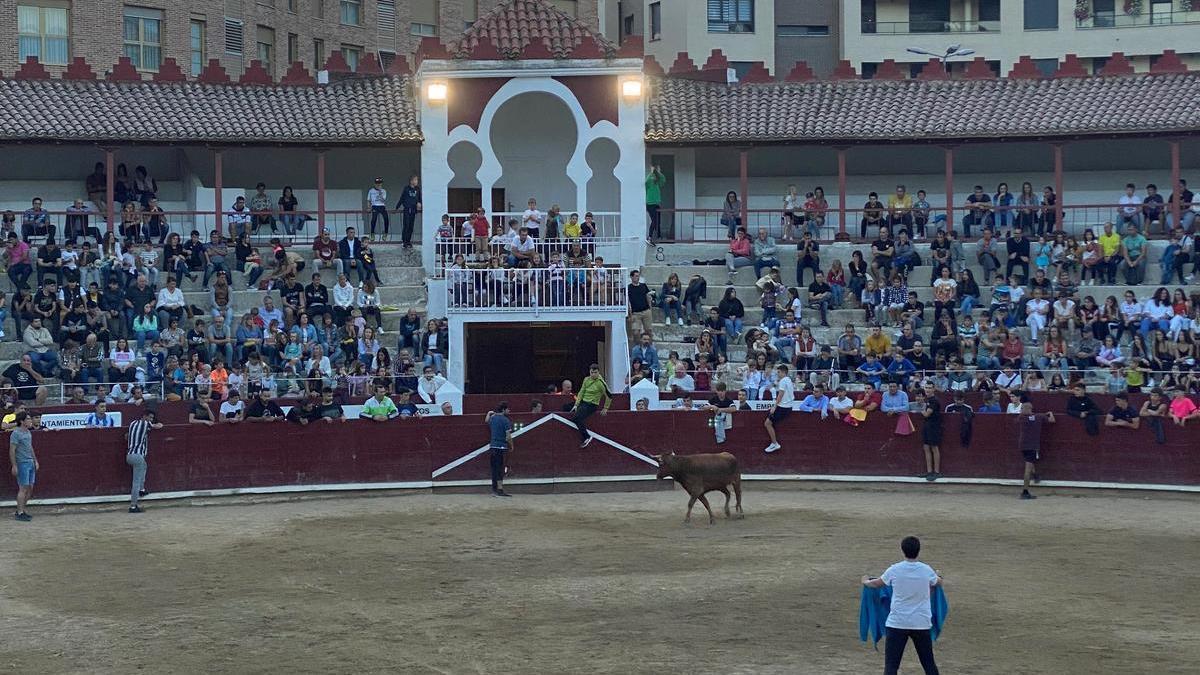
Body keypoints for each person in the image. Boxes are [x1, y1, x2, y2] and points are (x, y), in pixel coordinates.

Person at [862, 536, 943, 675]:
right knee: (929, 665)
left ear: (902, 550)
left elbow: (876, 584)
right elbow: (937, 583)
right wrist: (938, 576)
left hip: (897, 623)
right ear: (919, 550)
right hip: (920, 623)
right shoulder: (926, 570)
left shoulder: (895, 569)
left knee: (891, 666)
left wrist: (865, 581)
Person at [125, 408, 162, 513]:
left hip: (129, 455)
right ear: (144, 416)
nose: (151, 420)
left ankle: (142, 489)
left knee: (144, 466)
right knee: (135, 482)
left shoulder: (132, 423)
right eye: (149, 417)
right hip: (138, 456)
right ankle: (133, 506)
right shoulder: (146, 424)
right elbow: (157, 426)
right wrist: (159, 424)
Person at [1018, 401, 1055, 500]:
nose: (1021, 410)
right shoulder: (1039, 416)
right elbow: (1052, 420)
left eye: (1022, 408)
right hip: (1032, 446)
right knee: (1027, 469)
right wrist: (1050, 413)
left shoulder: (1021, 418)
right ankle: (1025, 491)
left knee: (1029, 462)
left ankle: (1035, 475)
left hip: (1022, 446)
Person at [571, 363, 611, 447]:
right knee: (566, 407)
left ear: (598, 372)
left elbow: (609, 396)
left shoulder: (601, 383)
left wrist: (605, 408)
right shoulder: (586, 379)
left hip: (591, 405)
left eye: (595, 372)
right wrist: (576, 404)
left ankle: (587, 437)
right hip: (583, 402)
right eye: (592, 372)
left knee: (576, 418)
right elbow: (581, 392)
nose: (593, 374)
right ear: (589, 372)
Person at [9, 412, 38, 522]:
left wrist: (35, 460)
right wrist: (14, 465)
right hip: (22, 463)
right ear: (22, 421)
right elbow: (12, 450)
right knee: (23, 488)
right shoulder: (16, 434)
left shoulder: (28, 432)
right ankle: (20, 512)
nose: (30, 421)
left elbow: (30, 447)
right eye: (28, 419)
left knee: (30, 488)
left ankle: (21, 510)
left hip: (29, 462)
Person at [762, 363, 794, 454]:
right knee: (770, 422)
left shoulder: (783, 381)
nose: (777, 374)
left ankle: (774, 443)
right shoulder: (788, 380)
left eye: (779, 372)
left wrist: (774, 407)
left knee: (767, 423)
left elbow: (781, 394)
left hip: (782, 407)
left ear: (783, 372)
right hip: (788, 407)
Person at [485, 402, 513, 497]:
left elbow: (486, 421)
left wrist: (489, 413)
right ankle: (500, 489)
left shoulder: (493, 419)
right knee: (500, 469)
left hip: (493, 447)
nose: (509, 411)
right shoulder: (505, 420)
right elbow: (508, 436)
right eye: (508, 409)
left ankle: (494, 490)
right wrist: (511, 445)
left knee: (494, 469)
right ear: (504, 410)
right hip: (501, 447)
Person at [921, 386, 943, 481]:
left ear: (934, 389)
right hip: (928, 425)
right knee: (926, 447)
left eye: (930, 388)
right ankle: (929, 471)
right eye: (926, 388)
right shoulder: (929, 400)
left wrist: (921, 409)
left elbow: (926, 414)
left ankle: (936, 472)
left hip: (934, 426)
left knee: (934, 447)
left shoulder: (934, 400)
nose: (927, 390)